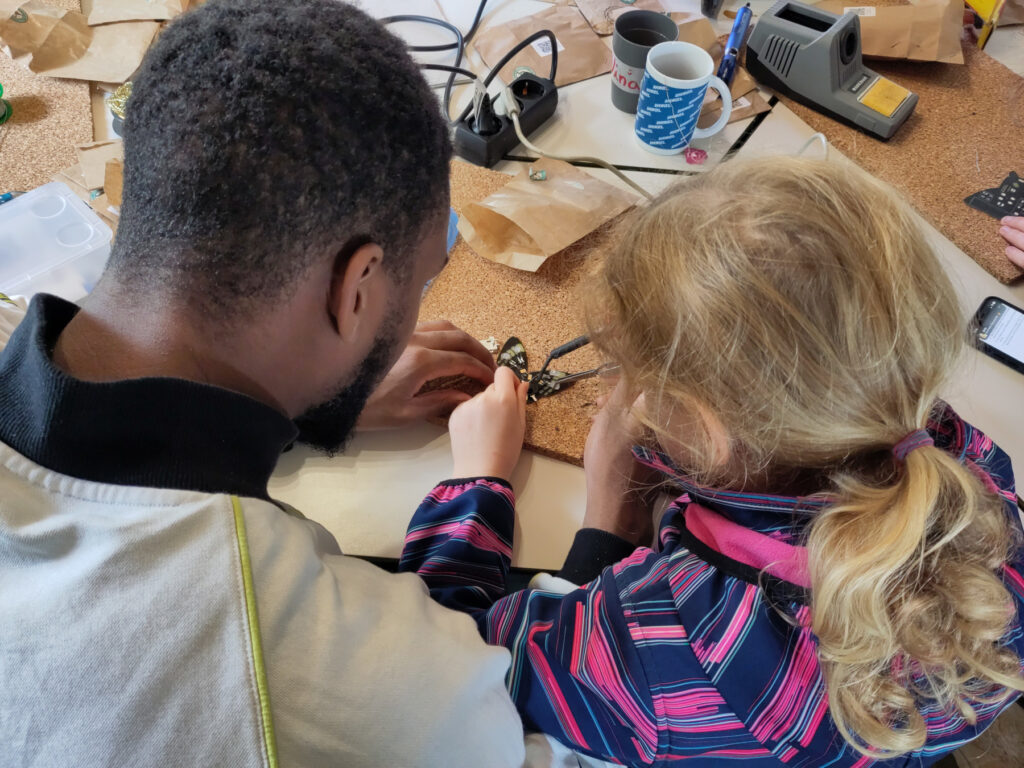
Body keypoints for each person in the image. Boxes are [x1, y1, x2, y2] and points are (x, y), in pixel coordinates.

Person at [0, 1, 529, 766]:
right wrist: (561, 514)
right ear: (355, 290)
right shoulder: (326, 665)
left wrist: (305, 398)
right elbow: (500, 722)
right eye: (418, 283)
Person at [399, 157, 1024, 766]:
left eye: (626, 372)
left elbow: (440, 673)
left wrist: (482, 484)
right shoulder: (974, 471)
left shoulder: (661, 645)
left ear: (703, 431)